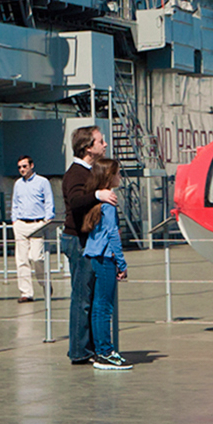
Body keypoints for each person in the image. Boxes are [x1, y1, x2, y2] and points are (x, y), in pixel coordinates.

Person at [62, 126, 117, 365]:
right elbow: (75, 201)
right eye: (100, 142)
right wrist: (98, 195)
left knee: (90, 295)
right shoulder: (76, 173)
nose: (104, 145)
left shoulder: (87, 171)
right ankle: (79, 350)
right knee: (83, 297)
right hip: (78, 240)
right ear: (88, 148)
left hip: (85, 239)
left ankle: (88, 346)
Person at [81, 158, 131, 370]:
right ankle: (105, 352)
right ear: (109, 176)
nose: (120, 177)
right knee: (104, 306)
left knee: (98, 306)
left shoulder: (97, 203)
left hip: (95, 256)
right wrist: (121, 262)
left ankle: (102, 350)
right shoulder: (108, 204)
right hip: (106, 257)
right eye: (117, 173)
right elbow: (112, 235)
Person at [9, 155, 54, 302]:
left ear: (31, 165)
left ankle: (45, 284)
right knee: (21, 260)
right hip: (21, 223)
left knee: (36, 257)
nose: (22, 169)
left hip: (37, 223)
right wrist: (14, 220)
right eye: (20, 167)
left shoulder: (43, 182)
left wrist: (48, 218)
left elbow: (48, 200)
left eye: (24, 166)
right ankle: (26, 292)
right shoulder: (18, 184)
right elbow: (15, 202)